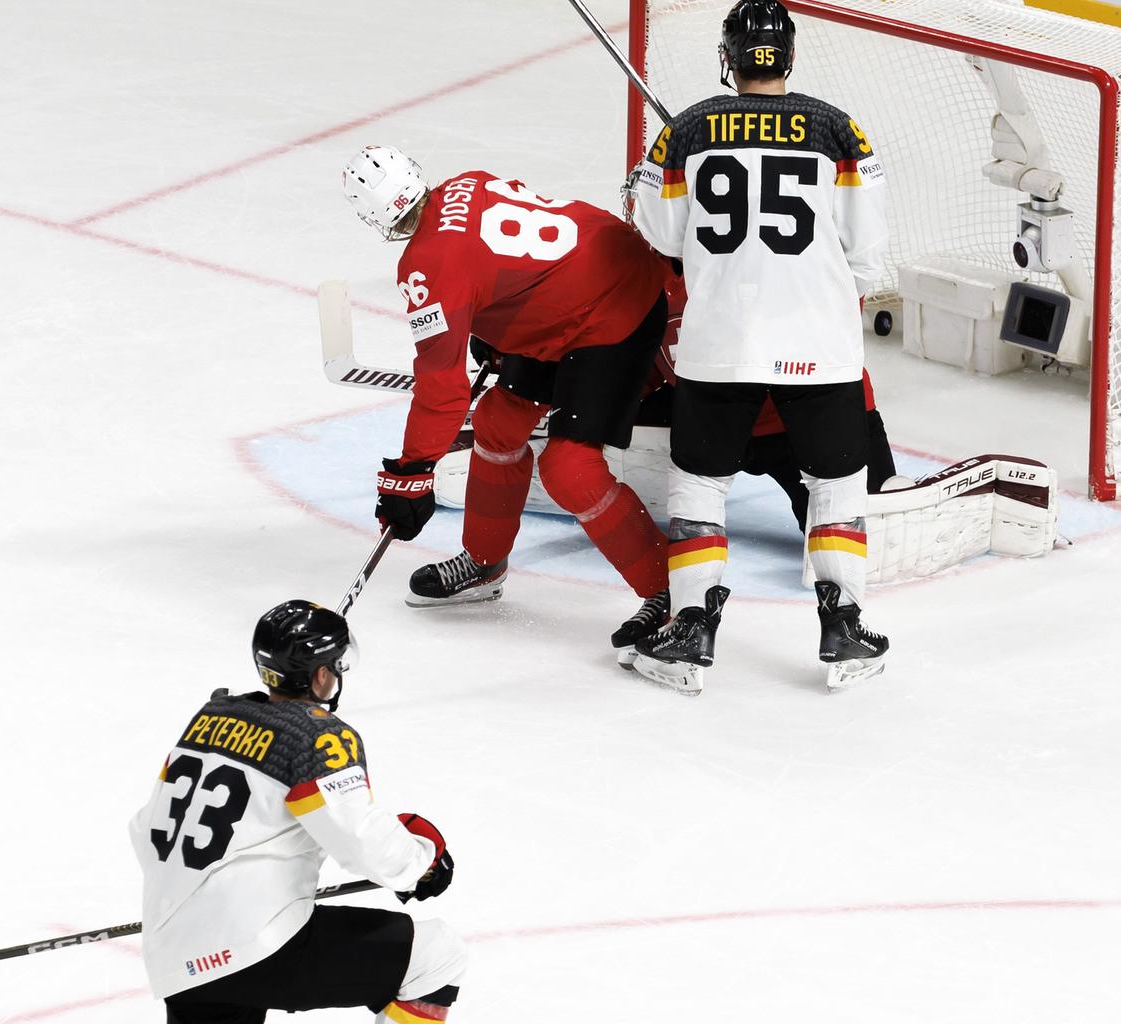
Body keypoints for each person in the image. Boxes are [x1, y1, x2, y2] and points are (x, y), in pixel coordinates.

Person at [624, 0, 892, 692]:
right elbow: (869, 255)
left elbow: (660, 237)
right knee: (835, 485)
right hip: (819, 344)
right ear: (790, 57)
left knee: (700, 484)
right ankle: (844, 624)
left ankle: (690, 628)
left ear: (731, 58)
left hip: (720, 343)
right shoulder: (839, 129)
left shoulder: (685, 131)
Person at [342, 145, 671, 631]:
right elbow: (505, 263)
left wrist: (411, 474)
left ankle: (668, 592)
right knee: (497, 423)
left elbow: (442, 389)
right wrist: (494, 328)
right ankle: (483, 562)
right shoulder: (466, 182)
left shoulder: (426, 267)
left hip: (616, 312)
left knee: (570, 468)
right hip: (598, 273)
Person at [132, 600, 464, 1024]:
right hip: (256, 947)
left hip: (174, 953)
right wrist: (422, 860)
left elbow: (144, 831)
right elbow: (366, 846)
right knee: (438, 957)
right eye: (334, 665)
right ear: (319, 676)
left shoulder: (207, 720)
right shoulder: (315, 739)